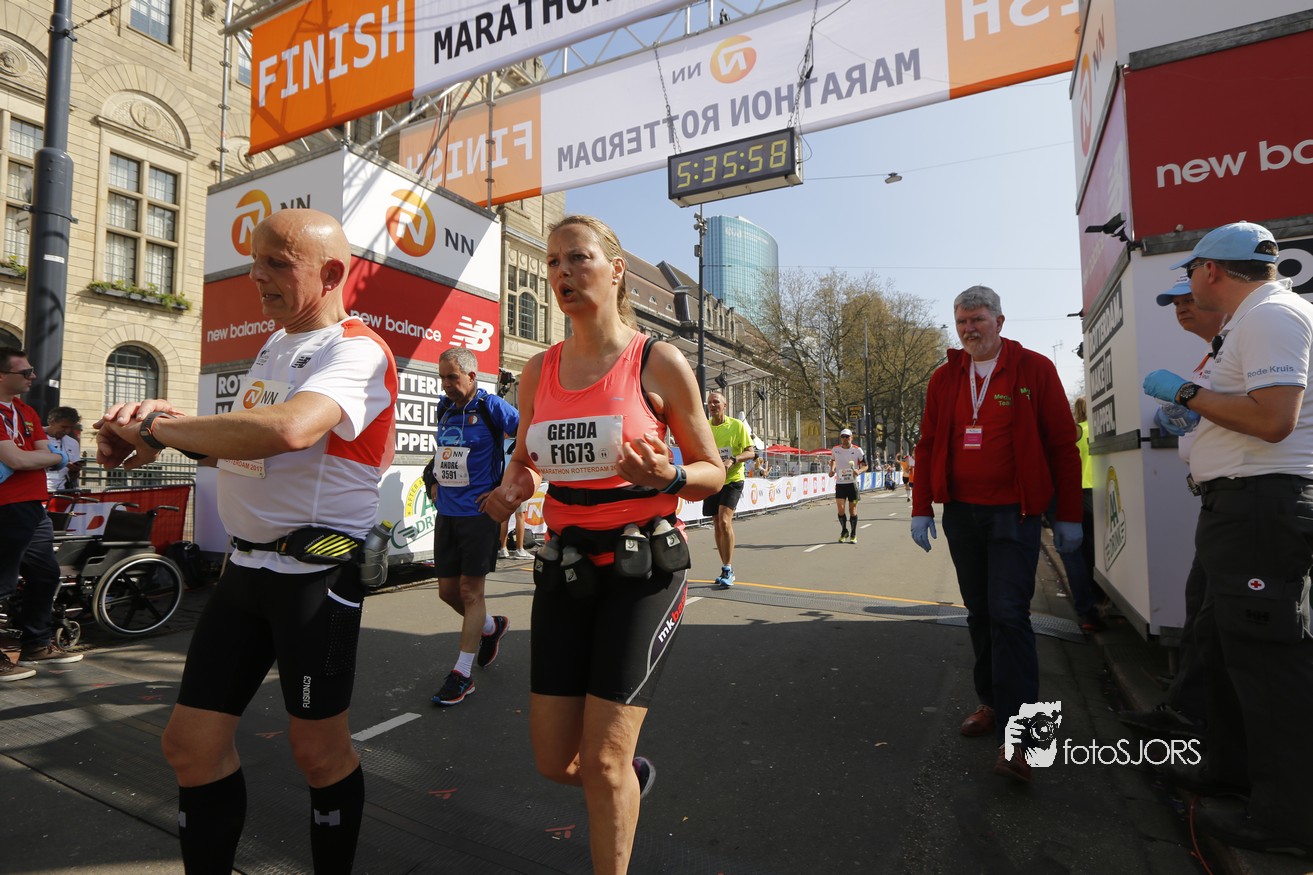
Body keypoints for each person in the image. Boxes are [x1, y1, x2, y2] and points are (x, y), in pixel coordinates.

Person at [94, 208, 397, 874]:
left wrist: (162, 427)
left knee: (318, 754)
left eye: (276, 264)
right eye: (254, 262)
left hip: (315, 578)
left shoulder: (357, 348)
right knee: (190, 747)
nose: (256, 276)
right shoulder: (274, 344)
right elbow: (247, 451)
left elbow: (288, 430)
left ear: (332, 273)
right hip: (246, 574)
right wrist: (158, 438)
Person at [479, 215, 723, 875]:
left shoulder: (657, 361)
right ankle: (626, 782)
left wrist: (668, 476)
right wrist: (512, 488)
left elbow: (712, 471)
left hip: (643, 571)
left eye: (578, 258)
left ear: (615, 271)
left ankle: (617, 785)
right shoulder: (538, 370)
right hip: (567, 568)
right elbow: (526, 460)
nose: (562, 272)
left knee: (604, 760)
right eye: (553, 261)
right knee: (555, 761)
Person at [1141, 221, 1313, 856]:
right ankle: (1232, 772)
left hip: (1262, 506)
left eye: (1190, 272)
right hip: (1242, 508)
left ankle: (1290, 819)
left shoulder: (1271, 315)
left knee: (1268, 661)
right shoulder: (1254, 320)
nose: (1188, 283)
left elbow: (1273, 420)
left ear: (1211, 270)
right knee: (1225, 649)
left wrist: (1188, 393)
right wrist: (1197, 405)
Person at [909, 285, 1082, 783]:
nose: (969, 329)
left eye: (978, 320)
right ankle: (992, 702)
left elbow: (1062, 446)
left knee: (1009, 614)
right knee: (981, 613)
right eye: (962, 321)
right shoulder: (945, 377)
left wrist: (1068, 514)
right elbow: (927, 444)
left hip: (1015, 514)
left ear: (1000, 322)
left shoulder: (1034, 370)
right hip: (963, 515)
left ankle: (1025, 739)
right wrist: (922, 507)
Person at [1118, 274, 1226, 738]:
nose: (1180, 309)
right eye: (1174, 302)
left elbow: (1266, 416)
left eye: (1189, 299)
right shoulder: (1214, 353)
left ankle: (1202, 723)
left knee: (1217, 618)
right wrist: (1184, 416)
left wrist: (1186, 397)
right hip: (1219, 500)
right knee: (1203, 612)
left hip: (1246, 500)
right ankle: (1190, 711)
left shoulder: (1245, 342)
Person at [426, 346, 518, 706]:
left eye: (452, 377)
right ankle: (491, 628)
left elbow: (527, 440)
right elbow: (443, 452)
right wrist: (431, 477)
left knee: (470, 592)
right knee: (448, 593)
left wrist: (503, 488)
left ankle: (462, 674)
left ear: (471, 376)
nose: (446, 384)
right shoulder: (444, 408)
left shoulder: (491, 406)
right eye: (442, 377)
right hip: (447, 513)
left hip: (479, 514)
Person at [0, 349, 82, 681]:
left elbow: (42, 455)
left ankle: (36, 643)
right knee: (2, 582)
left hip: (34, 506)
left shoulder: (26, 410)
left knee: (46, 575)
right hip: (5, 506)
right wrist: (49, 457)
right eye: (26, 372)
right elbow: (21, 460)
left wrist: (45, 457)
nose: (33, 376)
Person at [1057, 397, 1103, 632]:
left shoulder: (1076, 431)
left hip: (1079, 491)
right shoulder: (1101, 430)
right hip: (1102, 490)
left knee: (1078, 552)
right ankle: (1100, 598)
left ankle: (1088, 607)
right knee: (1098, 548)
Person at [704, 390, 754, 588]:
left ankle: (728, 568)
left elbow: (751, 452)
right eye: (710, 403)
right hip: (713, 479)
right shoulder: (705, 427)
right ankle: (725, 567)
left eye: (716, 402)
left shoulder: (736, 425)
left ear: (724, 405)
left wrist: (732, 459)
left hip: (733, 479)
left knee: (725, 521)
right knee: (717, 523)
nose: (712, 405)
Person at [829, 428, 868, 542]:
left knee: (852, 510)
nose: (845, 439)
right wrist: (832, 469)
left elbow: (865, 465)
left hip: (852, 484)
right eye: (843, 437)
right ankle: (844, 530)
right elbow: (833, 460)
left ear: (851, 438)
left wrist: (859, 471)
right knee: (841, 510)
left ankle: (853, 534)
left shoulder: (857, 450)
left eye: (847, 437)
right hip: (840, 484)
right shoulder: (835, 449)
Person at [44, 406, 82, 494]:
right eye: (64, 427)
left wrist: (74, 470)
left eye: (71, 428)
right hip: (37, 490)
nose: (67, 431)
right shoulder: (36, 437)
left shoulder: (73, 443)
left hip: (63, 492)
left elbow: (74, 477)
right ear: (51, 422)